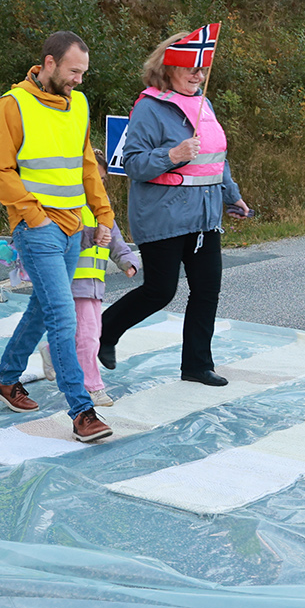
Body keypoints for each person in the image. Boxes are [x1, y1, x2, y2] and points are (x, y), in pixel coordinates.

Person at [99, 25, 250, 386]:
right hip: (163, 214)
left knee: (207, 289)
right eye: (190, 68)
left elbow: (217, 159)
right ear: (169, 68)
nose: (198, 75)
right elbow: (133, 163)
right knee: (160, 291)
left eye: (203, 69)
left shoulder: (204, 103)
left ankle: (197, 365)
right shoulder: (149, 108)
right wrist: (172, 155)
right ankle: (103, 333)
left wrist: (233, 195)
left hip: (204, 215)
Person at [0, 31, 116, 442]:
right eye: (74, 71)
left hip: (74, 227)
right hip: (37, 228)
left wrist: (104, 214)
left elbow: (86, 165)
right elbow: (0, 170)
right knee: (63, 316)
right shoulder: (13, 104)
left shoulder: (80, 104)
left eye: (84, 72)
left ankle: (5, 378)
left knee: (44, 309)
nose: (79, 79)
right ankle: (82, 410)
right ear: (49, 64)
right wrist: (33, 217)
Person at [53, 150, 138, 407]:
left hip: (94, 285)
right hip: (73, 281)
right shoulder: (68, 207)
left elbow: (116, 239)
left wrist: (127, 260)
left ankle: (52, 351)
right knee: (88, 337)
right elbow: (61, 240)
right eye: (91, 178)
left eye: (101, 180)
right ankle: (91, 386)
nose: (97, 185)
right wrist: (89, 235)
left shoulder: (103, 210)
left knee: (85, 334)